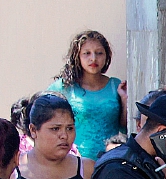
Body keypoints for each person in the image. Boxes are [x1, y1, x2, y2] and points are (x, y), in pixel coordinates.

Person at [49, 30, 127, 160]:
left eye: (99, 53)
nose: (93, 58)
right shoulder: (65, 87)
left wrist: (125, 100)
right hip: (74, 162)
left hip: (109, 160)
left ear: (107, 56)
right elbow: (42, 116)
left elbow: (125, 126)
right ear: (77, 56)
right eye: (87, 53)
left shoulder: (116, 85)